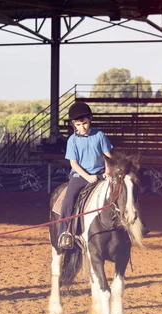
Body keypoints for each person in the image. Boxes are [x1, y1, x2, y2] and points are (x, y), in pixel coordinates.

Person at [57, 101, 113, 250]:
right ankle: (65, 233)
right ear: (73, 125)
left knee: (120, 192)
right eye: (78, 125)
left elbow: (108, 156)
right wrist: (87, 177)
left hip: (101, 174)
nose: (82, 127)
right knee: (69, 200)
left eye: (85, 123)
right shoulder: (72, 140)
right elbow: (73, 164)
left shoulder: (100, 135)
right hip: (80, 176)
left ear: (90, 119)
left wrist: (108, 171)